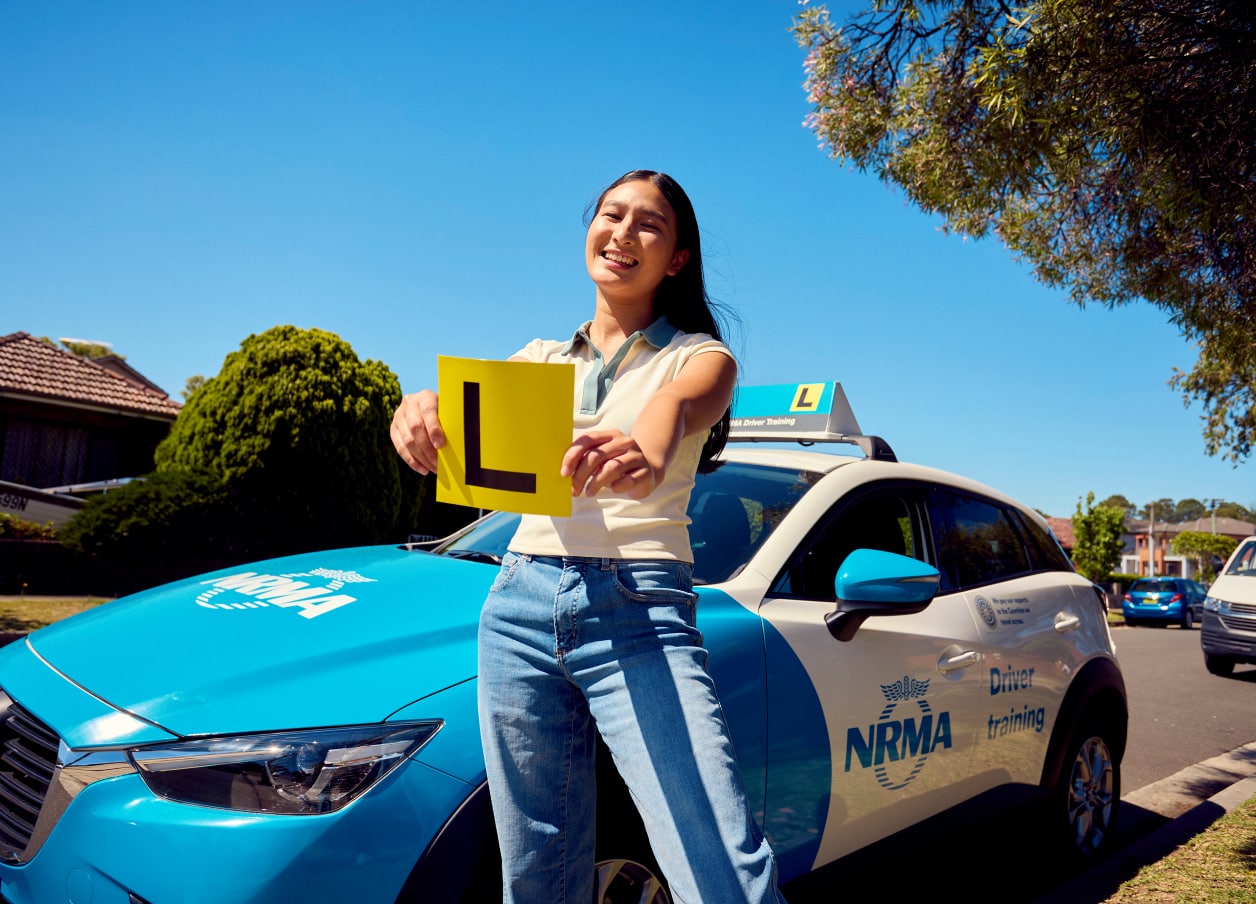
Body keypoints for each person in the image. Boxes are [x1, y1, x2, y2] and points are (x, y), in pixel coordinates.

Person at [390, 170, 786, 904]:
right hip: (517, 604)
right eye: (611, 214)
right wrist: (420, 408)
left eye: (649, 224)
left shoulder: (698, 356)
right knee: (535, 869)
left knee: (717, 861)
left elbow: (680, 403)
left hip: (638, 607)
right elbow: (462, 418)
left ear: (677, 259)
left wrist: (649, 448)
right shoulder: (540, 359)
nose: (623, 233)